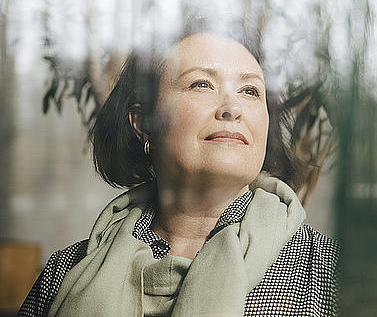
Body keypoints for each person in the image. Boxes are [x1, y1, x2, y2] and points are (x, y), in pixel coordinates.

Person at [17, 18, 339, 316]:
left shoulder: (328, 273)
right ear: (144, 122)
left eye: (250, 90)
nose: (232, 108)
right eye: (202, 84)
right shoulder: (63, 275)